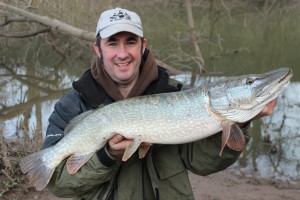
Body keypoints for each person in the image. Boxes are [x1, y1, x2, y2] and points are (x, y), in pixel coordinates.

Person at [42, 7, 277, 200]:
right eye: (112, 43)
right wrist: (106, 156)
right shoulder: (72, 105)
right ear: (98, 49)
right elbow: (59, 186)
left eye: (130, 42)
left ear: (143, 46)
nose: (122, 53)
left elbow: (203, 163)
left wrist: (242, 122)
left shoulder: (176, 93)